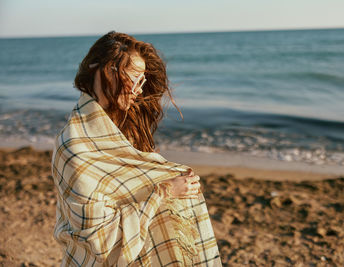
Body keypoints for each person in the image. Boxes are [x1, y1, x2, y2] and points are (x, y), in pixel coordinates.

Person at [51, 31, 222, 266]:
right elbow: (98, 241)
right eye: (135, 78)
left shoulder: (121, 130)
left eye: (143, 81)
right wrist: (165, 191)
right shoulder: (75, 147)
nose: (140, 90)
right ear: (106, 70)